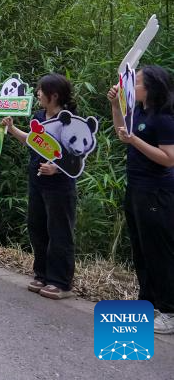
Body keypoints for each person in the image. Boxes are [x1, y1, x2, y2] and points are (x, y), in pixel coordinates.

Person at [1, 74, 81, 300]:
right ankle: (42, 274)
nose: (37, 94)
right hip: (37, 180)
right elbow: (33, 141)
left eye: (40, 90)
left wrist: (56, 168)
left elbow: (78, 154)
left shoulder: (70, 121)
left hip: (60, 185)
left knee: (60, 232)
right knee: (37, 227)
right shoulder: (39, 117)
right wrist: (12, 129)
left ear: (53, 95)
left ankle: (61, 282)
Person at [108, 65, 174, 334]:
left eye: (136, 83)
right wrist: (115, 106)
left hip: (157, 192)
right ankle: (148, 303)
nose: (130, 87)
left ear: (151, 88)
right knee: (141, 249)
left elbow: (169, 159)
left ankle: (169, 311)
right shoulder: (139, 112)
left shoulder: (164, 119)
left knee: (159, 251)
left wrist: (135, 140)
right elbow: (122, 133)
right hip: (135, 188)